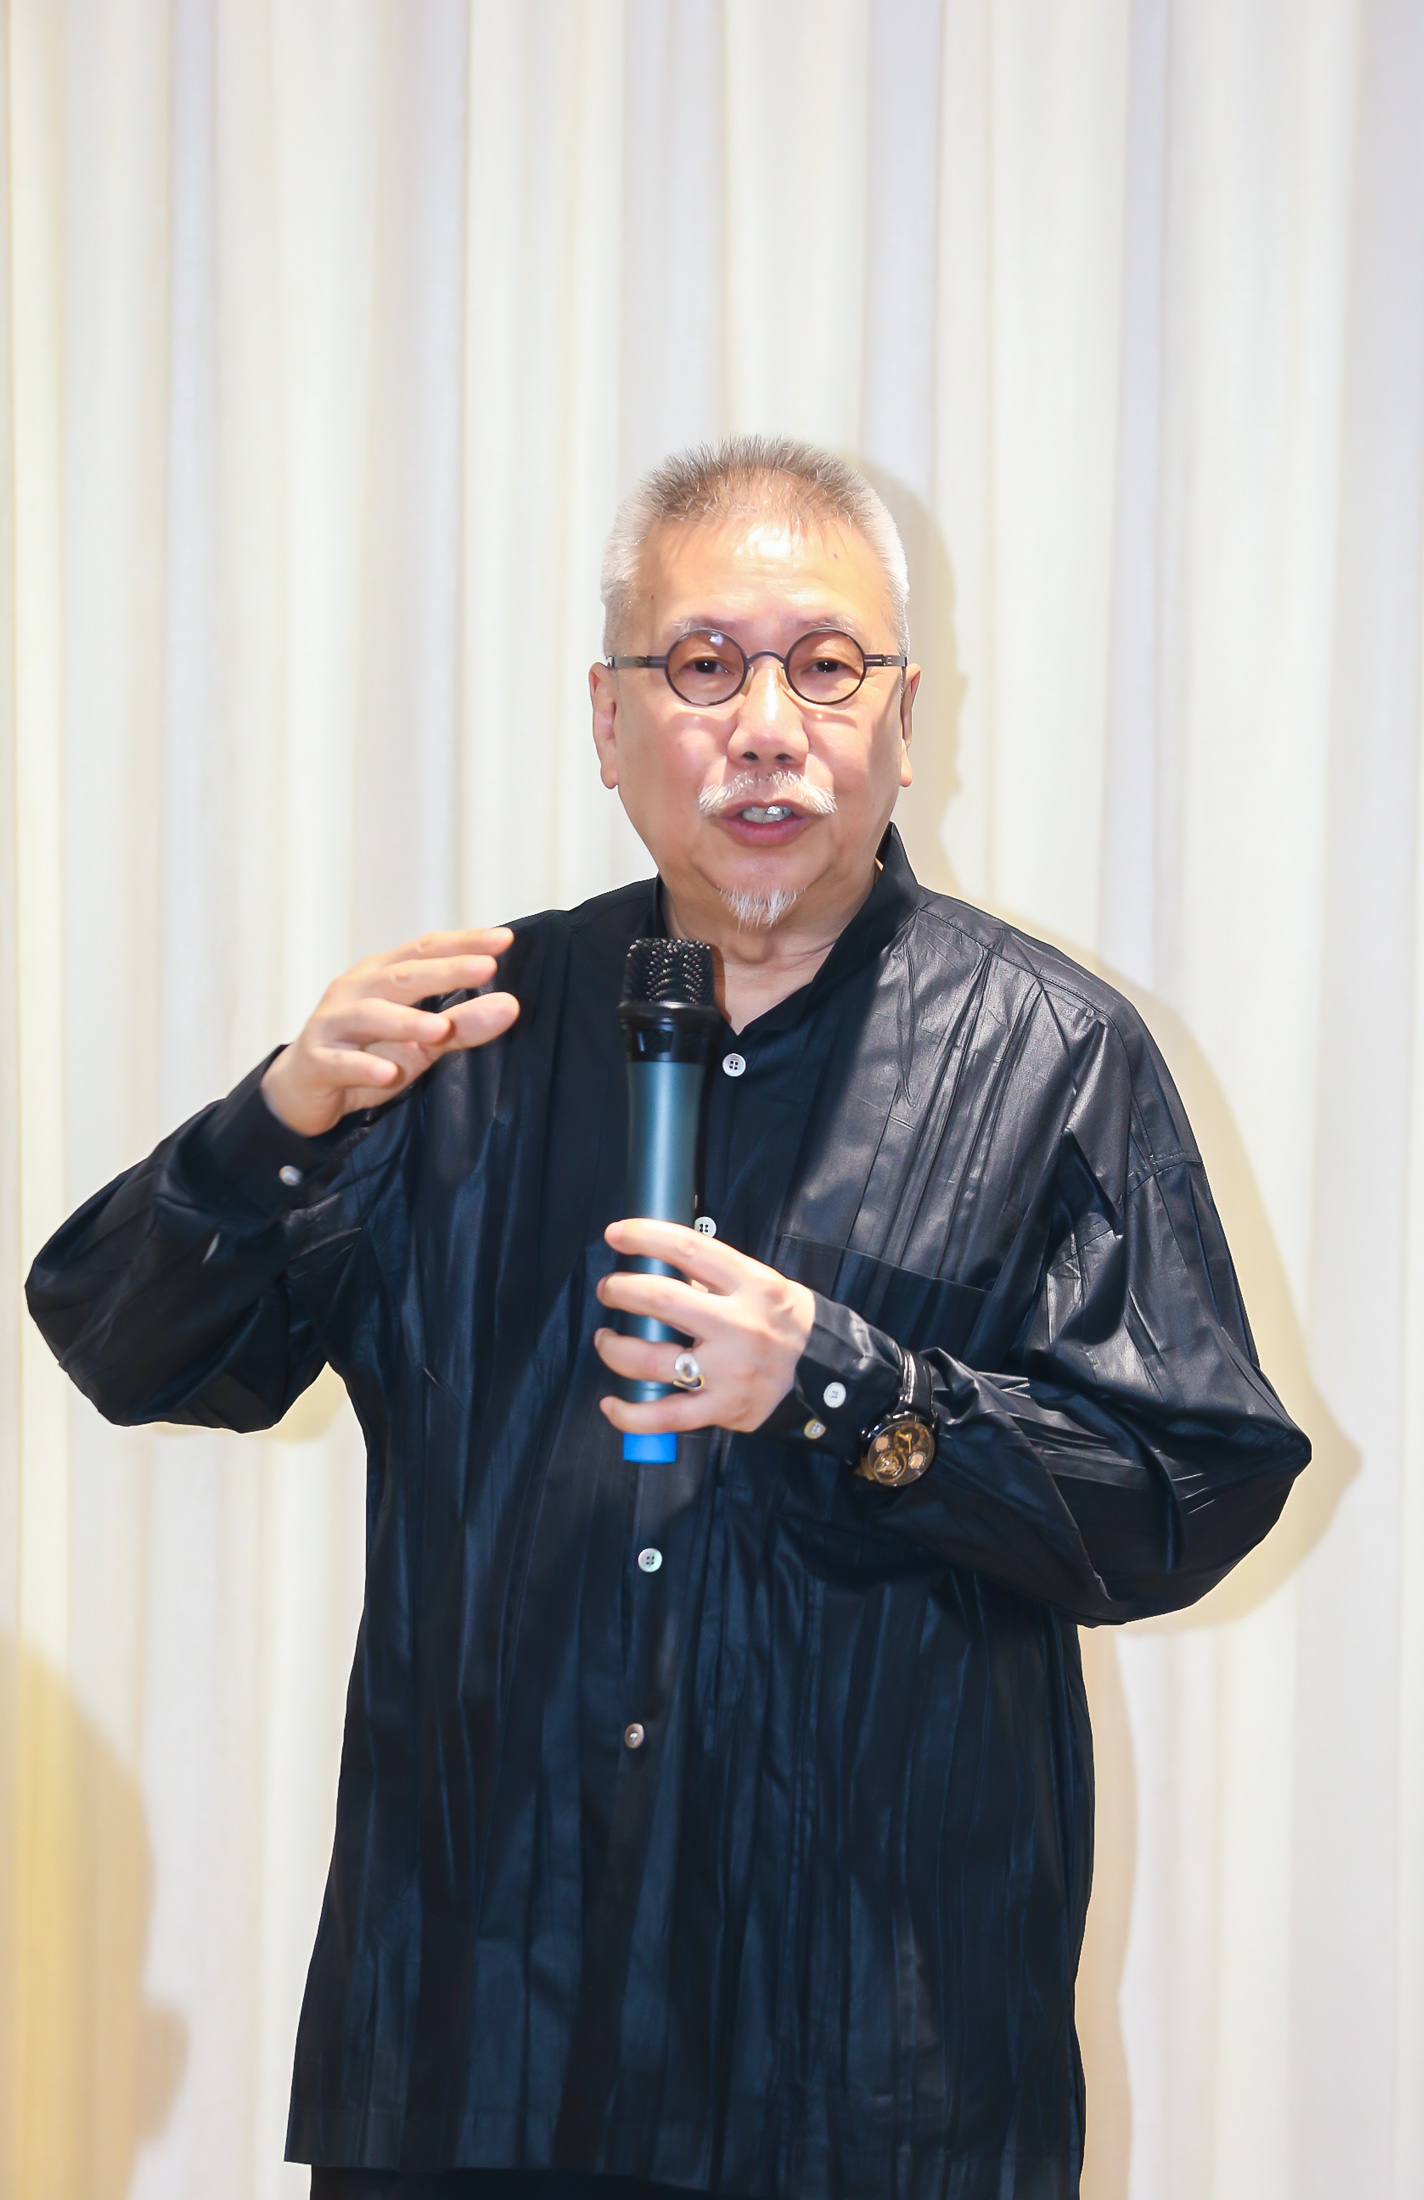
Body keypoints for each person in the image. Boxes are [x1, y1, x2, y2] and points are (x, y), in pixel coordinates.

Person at [27, 436, 1309, 2200]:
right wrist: (276, 1124)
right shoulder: (454, 1038)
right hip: (484, 2048)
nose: (767, 726)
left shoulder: (1050, 1056)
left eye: (826, 666)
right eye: (705, 665)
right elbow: (126, 1347)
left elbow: (1192, 1490)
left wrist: (848, 1391)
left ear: (904, 719)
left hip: (879, 2068)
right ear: (609, 719)